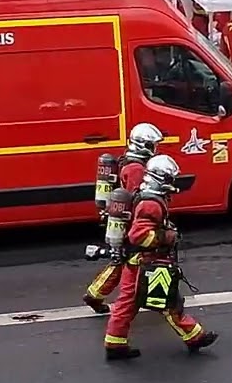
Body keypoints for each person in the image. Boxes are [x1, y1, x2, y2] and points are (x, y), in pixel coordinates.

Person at [103, 155, 218, 360]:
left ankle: (115, 343)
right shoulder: (151, 204)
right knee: (168, 301)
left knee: (128, 304)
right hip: (146, 262)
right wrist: (167, 236)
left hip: (136, 263)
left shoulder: (144, 196)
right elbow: (139, 236)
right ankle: (194, 337)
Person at [83, 123, 164, 314]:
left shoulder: (127, 160)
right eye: (153, 144)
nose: (155, 148)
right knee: (125, 260)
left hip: (122, 218)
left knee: (123, 260)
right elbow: (136, 197)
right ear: (144, 145)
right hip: (130, 221)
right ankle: (96, 295)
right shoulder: (136, 168)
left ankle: (96, 294)